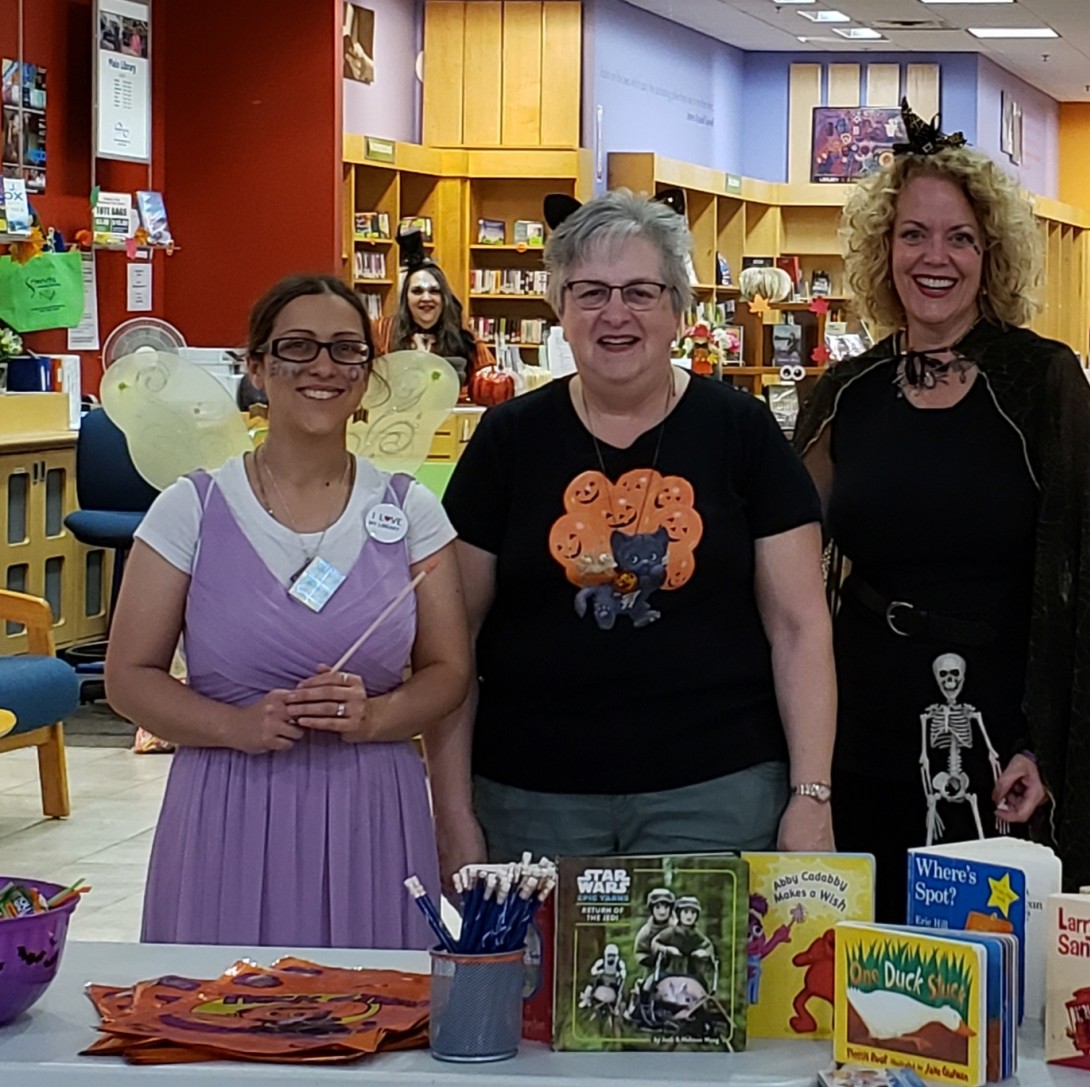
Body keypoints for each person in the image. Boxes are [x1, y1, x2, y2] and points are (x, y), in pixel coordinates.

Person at [793, 101, 1090, 921]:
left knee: (994, 967)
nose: (935, 258)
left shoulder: (1042, 384)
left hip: (1003, 731)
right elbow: (786, 571)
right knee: (874, 950)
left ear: (991, 253)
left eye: (959, 236)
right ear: (880, 251)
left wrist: (1043, 742)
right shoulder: (844, 395)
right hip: (864, 723)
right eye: (913, 235)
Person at [428, 188, 836, 885]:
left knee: (697, 988)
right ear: (560, 308)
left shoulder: (742, 433)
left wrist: (811, 795)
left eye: (641, 291)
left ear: (678, 309)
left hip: (717, 796)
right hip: (530, 803)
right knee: (534, 994)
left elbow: (800, 626)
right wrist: (451, 810)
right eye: (590, 292)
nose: (615, 313)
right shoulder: (508, 441)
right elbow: (449, 642)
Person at [106, 273, 471, 948]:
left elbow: (449, 670)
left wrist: (380, 715)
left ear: (368, 375)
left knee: (372, 1025)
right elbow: (129, 676)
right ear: (257, 366)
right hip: (227, 806)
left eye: (344, 350)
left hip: (372, 811)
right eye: (297, 347)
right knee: (222, 1024)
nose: (323, 367)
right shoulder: (192, 509)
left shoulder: (410, 509)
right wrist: (233, 724)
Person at [373, 235, 494, 395]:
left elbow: (489, 379)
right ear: (406, 298)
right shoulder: (382, 331)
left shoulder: (464, 336)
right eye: (417, 291)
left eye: (434, 291)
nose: (426, 298)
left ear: (444, 298)